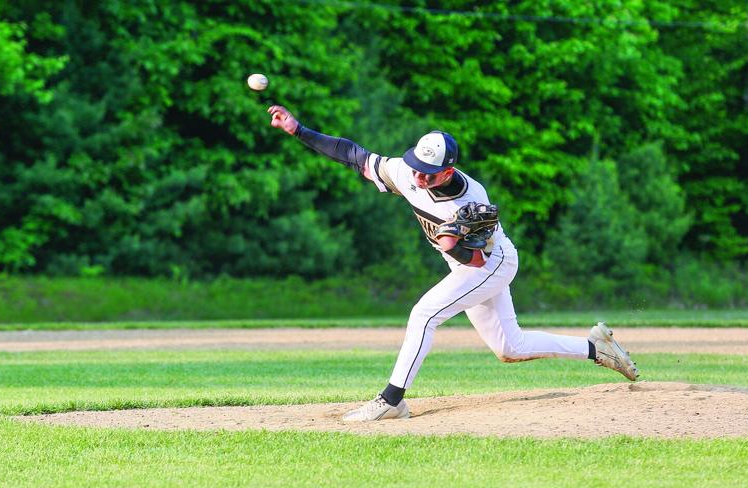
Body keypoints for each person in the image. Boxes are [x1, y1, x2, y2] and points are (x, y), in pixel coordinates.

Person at [267, 105, 639, 422]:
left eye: (427, 172)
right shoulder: (407, 173)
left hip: (491, 264)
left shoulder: (470, 199)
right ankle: (596, 348)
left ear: (447, 171)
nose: (417, 176)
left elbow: (476, 258)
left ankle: (392, 400)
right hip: (467, 268)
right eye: (415, 166)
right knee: (511, 347)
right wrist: (298, 130)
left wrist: (453, 245)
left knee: (424, 314)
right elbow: (353, 154)